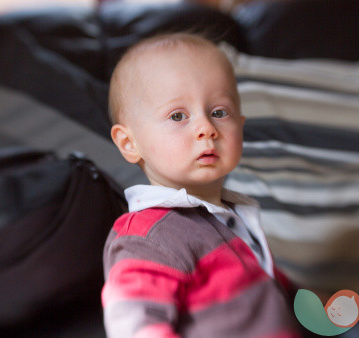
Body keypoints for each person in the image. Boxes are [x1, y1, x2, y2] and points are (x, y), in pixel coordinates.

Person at [102, 33, 301, 338]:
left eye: (219, 112)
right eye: (178, 115)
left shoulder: (230, 215)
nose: (206, 128)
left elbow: (266, 290)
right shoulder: (146, 237)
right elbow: (136, 324)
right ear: (130, 144)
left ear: (241, 125)